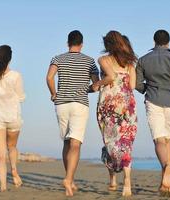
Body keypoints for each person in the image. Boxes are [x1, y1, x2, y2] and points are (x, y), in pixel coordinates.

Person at [135, 30, 170, 196]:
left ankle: (167, 169)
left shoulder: (143, 60)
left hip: (153, 101)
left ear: (154, 41)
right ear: (169, 42)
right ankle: (167, 181)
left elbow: (138, 84)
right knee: (168, 141)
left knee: (159, 140)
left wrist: (149, 89)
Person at [46, 30, 99, 196]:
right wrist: (86, 89)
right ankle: (68, 179)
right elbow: (96, 85)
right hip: (79, 104)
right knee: (76, 144)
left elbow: (49, 77)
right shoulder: (89, 61)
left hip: (61, 104)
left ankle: (70, 179)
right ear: (82, 44)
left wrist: (54, 93)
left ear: (67, 43)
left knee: (67, 143)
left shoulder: (58, 58)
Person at [92, 31, 137, 197]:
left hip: (108, 105)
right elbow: (131, 85)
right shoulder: (130, 63)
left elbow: (110, 77)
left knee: (110, 142)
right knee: (125, 143)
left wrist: (97, 83)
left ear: (108, 44)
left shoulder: (103, 60)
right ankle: (127, 181)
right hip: (127, 105)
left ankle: (112, 177)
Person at [0, 45, 25, 192]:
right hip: (13, 115)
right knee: (12, 147)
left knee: (0, 153)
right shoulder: (16, 76)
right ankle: (14, 170)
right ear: (10, 59)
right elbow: (21, 97)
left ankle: (2, 186)